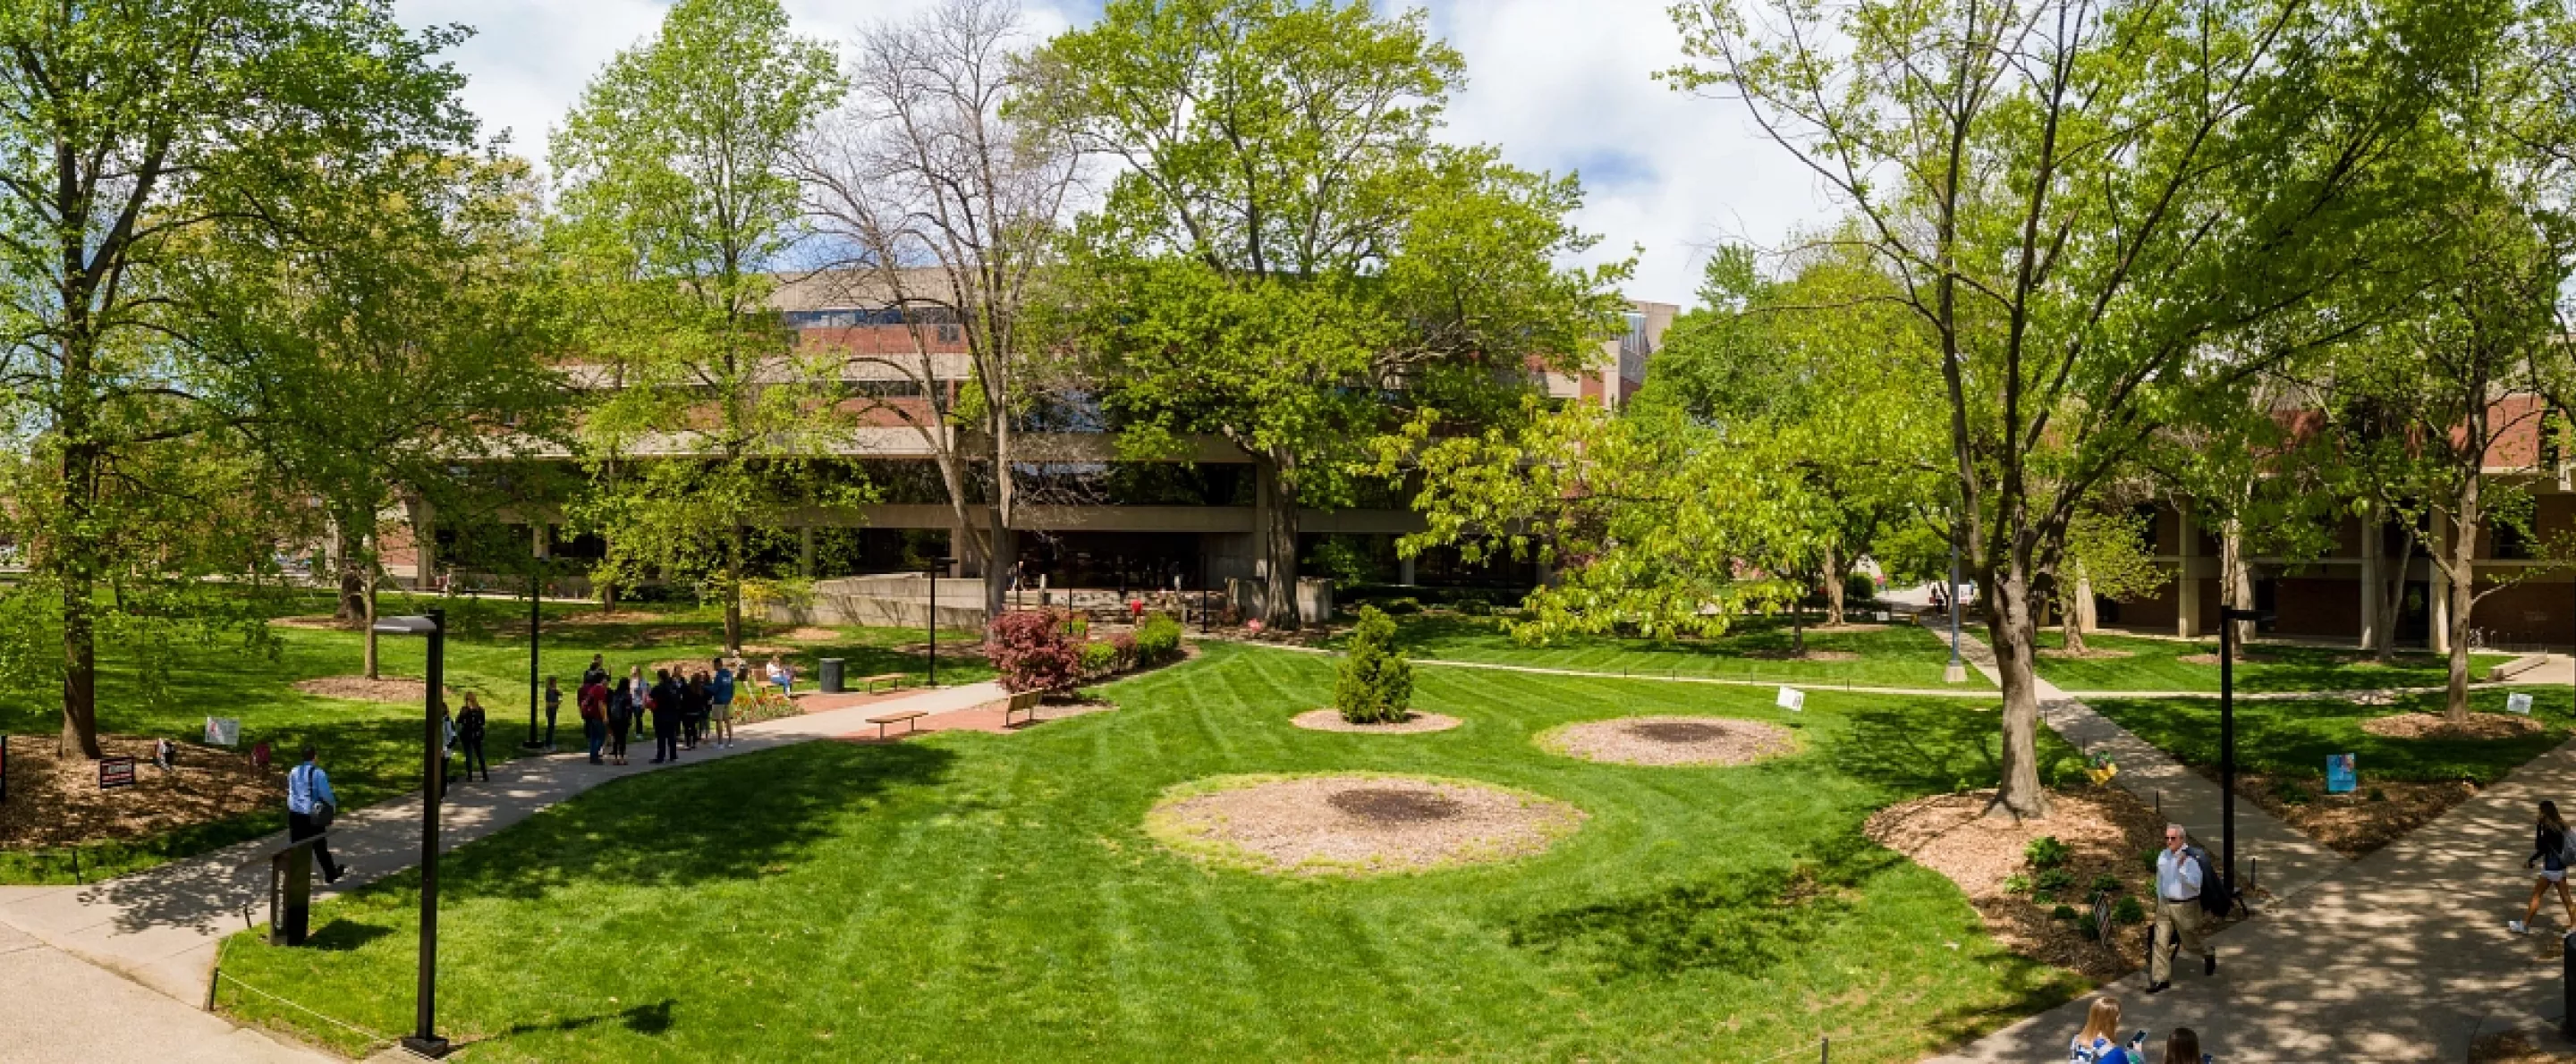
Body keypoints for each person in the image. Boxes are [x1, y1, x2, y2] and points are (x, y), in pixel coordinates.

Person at [2148, 823, 2216, 992]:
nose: (2169, 841)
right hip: (2165, 905)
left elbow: (2196, 886)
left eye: (2173, 838)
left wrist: (2182, 869)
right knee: (2160, 942)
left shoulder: (2191, 859)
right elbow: (2160, 880)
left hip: (2185, 906)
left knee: (2189, 941)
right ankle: (2160, 978)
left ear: (2182, 839)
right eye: (2167, 838)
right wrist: (2159, 898)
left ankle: (2208, 952)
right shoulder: (2163, 855)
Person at [2512, 799, 2576, 933]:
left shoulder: (2550, 829)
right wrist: (2531, 860)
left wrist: (2538, 827)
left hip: (2550, 869)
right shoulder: (2561, 825)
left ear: (2543, 813)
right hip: (2560, 868)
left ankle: (2524, 925)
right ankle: (2574, 925)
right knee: (2566, 899)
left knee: (2536, 896)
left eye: (2539, 811)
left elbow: (2541, 847)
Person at [286, 746, 346, 883]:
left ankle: (295, 878)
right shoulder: (318, 773)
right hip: (311, 816)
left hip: (295, 814)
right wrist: (332, 805)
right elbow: (326, 795)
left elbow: (291, 791)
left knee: (297, 847)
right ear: (315, 757)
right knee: (320, 846)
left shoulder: (294, 771)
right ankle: (330, 873)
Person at [2069, 996, 2146, 1063]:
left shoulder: (2076, 1040)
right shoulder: (2112, 1052)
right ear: (2115, 1019)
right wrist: (2137, 1053)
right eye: (2118, 1014)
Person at [648, 669, 682, 764]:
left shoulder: (658, 688)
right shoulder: (674, 687)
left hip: (661, 715)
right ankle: (673, 755)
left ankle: (661, 757)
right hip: (673, 715)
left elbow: (650, 699)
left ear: (659, 677)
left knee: (661, 737)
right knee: (672, 736)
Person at [456, 690, 489, 783]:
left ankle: (470, 776)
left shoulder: (465, 710)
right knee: (480, 755)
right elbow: (483, 722)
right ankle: (485, 774)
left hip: (467, 735)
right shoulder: (480, 710)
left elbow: (458, 720)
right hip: (477, 735)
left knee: (469, 755)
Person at [579, 675, 609, 765]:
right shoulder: (601, 690)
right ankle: (594, 755)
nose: (607, 683)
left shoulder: (593, 688)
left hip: (590, 716)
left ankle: (592, 755)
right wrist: (604, 717)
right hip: (597, 716)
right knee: (601, 736)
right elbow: (600, 705)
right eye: (606, 681)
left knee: (593, 737)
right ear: (603, 681)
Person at [709, 658, 736, 748]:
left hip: (718, 701)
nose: (713, 667)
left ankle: (720, 743)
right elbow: (733, 687)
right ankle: (730, 742)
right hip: (727, 701)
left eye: (714, 665)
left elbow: (714, 689)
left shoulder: (719, 676)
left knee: (719, 721)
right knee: (728, 721)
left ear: (718, 665)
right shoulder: (729, 674)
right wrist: (730, 697)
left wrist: (704, 686)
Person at [682, 672, 709, 749]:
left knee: (687, 728)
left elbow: (684, 699)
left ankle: (688, 743)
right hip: (697, 712)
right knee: (694, 727)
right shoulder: (700, 690)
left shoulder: (687, 688)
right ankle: (694, 743)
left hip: (688, 711)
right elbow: (704, 700)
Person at [542, 676, 563, 750]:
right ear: (552, 683)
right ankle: (548, 743)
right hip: (550, 711)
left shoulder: (554, 691)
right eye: (555, 682)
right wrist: (558, 703)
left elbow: (561, 694)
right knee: (550, 727)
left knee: (552, 727)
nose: (556, 684)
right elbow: (549, 704)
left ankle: (549, 742)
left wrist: (557, 691)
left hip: (553, 711)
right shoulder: (549, 692)